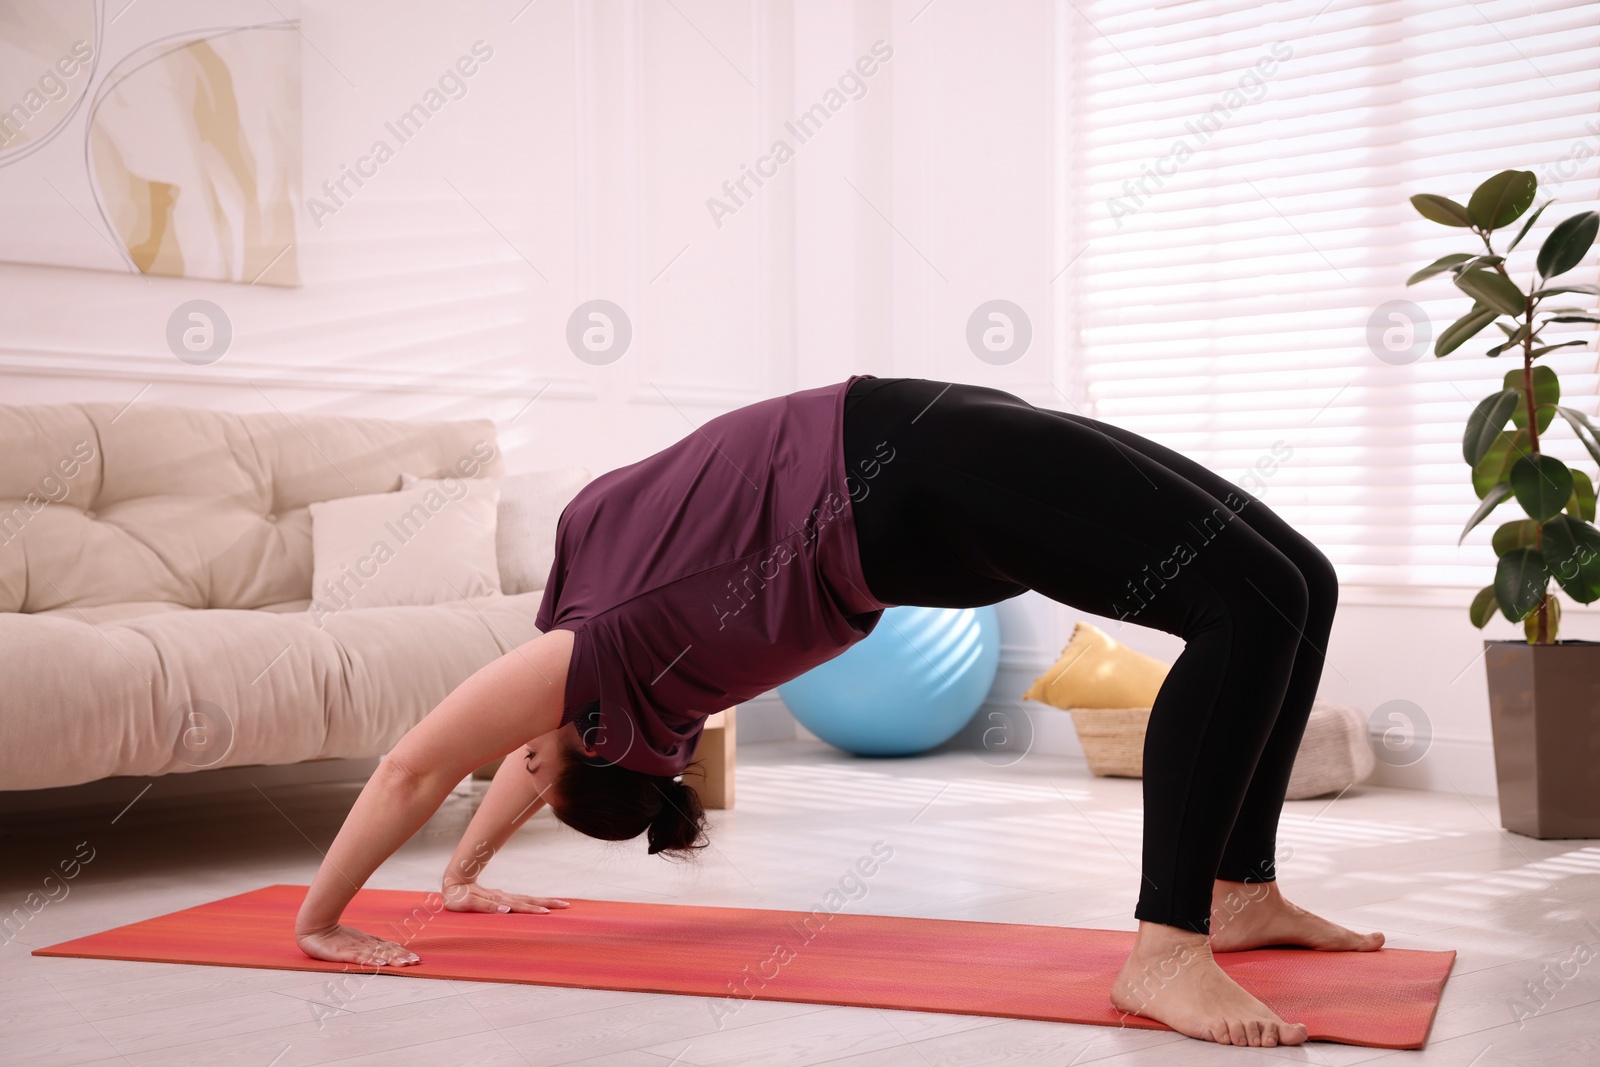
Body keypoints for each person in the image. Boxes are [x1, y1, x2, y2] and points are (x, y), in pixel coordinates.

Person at [294, 375, 1382, 1048]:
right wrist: (322, 915)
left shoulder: (638, 712)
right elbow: (416, 769)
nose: (512, 756)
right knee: (1239, 607)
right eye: (531, 751)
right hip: (899, 471)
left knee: (1299, 579)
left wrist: (463, 873)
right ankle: (1165, 944)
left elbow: (538, 771)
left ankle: (1239, 889)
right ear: (588, 735)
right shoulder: (606, 651)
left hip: (909, 443)